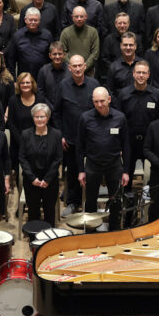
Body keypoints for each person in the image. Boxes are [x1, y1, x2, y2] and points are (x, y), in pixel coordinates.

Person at [77, 87, 130, 231]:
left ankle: (113, 230)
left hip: (114, 165)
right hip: (93, 165)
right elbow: (80, 147)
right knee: (90, 201)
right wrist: (81, 171)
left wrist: (126, 171)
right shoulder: (85, 118)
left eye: (102, 101)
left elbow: (126, 146)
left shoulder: (120, 118)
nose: (99, 105)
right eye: (96, 102)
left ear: (109, 99)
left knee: (115, 201)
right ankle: (90, 232)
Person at [53, 55, 99, 216]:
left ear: (85, 66)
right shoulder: (63, 85)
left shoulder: (94, 85)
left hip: (92, 139)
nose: (78, 69)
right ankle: (73, 202)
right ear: (69, 68)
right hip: (71, 138)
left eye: (80, 65)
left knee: (93, 172)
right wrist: (61, 135)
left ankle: (91, 204)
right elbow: (56, 112)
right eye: (74, 66)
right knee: (72, 172)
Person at [114, 61, 159, 192]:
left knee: (152, 177)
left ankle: (150, 207)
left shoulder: (156, 95)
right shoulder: (124, 94)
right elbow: (118, 121)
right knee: (126, 178)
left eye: (144, 73)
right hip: (129, 142)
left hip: (150, 143)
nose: (141, 75)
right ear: (133, 74)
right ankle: (127, 209)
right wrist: (119, 145)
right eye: (138, 72)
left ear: (148, 75)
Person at [19, 103, 62, 226]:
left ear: (47, 117)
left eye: (42, 116)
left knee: (49, 211)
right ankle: (34, 237)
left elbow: (58, 158)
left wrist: (47, 179)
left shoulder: (56, 134)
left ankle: (48, 239)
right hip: (31, 179)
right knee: (33, 211)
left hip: (50, 179)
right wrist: (32, 178)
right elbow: (22, 157)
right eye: (36, 117)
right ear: (33, 118)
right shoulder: (25, 134)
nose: (39, 119)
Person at [7, 72, 49, 178]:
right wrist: (22, 141)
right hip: (18, 142)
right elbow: (11, 123)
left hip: (38, 141)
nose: (25, 85)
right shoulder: (13, 100)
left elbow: (44, 120)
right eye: (22, 83)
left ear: (32, 83)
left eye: (28, 82)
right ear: (18, 85)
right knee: (21, 175)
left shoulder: (40, 99)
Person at [6, 7, 53, 77]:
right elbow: (11, 59)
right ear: (25, 20)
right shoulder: (17, 36)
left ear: (39, 21)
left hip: (43, 77)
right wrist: (14, 80)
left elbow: (51, 58)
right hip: (23, 79)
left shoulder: (47, 35)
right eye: (30, 20)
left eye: (35, 20)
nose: (33, 22)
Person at [100, 13, 143, 80]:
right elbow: (105, 59)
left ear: (129, 24)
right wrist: (117, 70)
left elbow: (139, 57)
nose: (122, 25)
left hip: (133, 75)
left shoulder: (136, 39)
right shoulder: (108, 39)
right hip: (114, 75)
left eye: (125, 23)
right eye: (120, 23)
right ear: (115, 24)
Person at [60, 5, 100, 76]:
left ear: (86, 17)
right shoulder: (65, 32)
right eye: (76, 16)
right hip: (70, 72)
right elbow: (63, 52)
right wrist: (74, 67)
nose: (79, 19)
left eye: (81, 16)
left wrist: (83, 67)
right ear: (72, 17)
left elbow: (95, 53)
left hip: (88, 72)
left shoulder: (93, 32)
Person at [106, 33, 144, 98]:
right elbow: (110, 92)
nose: (128, 48)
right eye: (125, 45)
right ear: (121, 46)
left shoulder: (143, 65)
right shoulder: (113, 67)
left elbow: (149, 87)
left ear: (135, 46)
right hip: (120, 106)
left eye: (131, 45)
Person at [37, 42, 68, 107]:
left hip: (66, 109)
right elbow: (40, 92)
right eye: (54, 54)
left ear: (64, 55)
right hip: (47, 109)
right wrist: (49, 107)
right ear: (50, 55)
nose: (57, 56)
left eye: (60, 54)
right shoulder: (43, 71)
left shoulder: (70, 70)